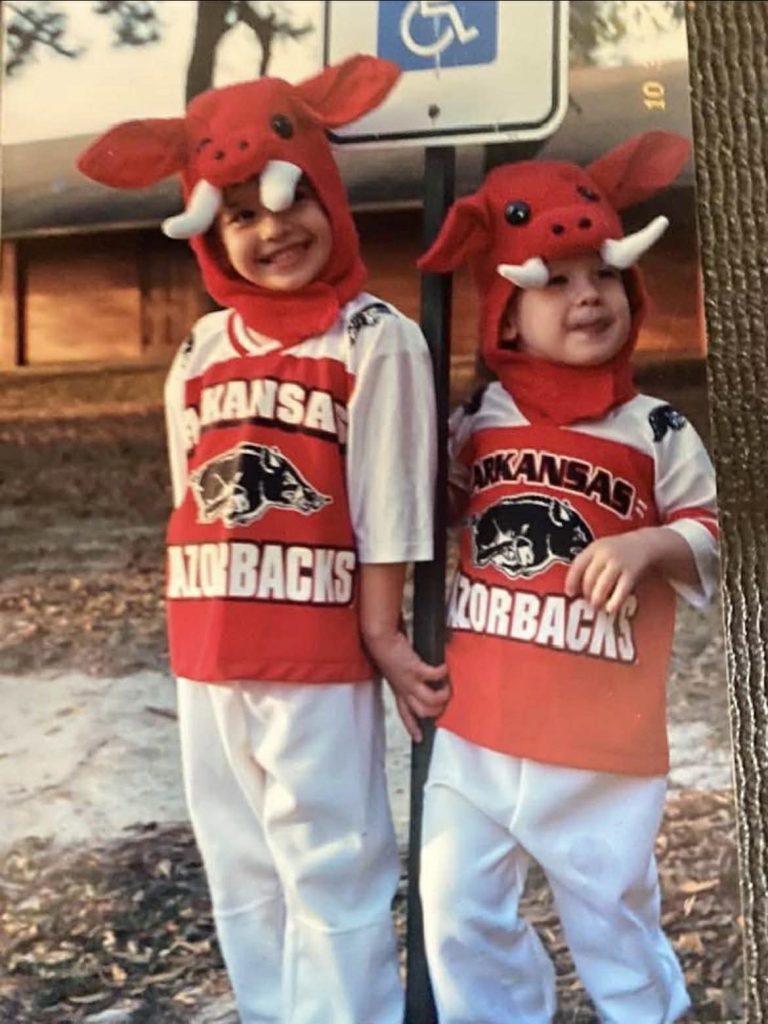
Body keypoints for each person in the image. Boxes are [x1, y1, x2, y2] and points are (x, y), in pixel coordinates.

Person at [77, 55, 448, 1024]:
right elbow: (188, 492)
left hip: (314, 646)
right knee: (239, 862)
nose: (271, 228)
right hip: (209, 647)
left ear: (328, 193)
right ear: (211, 232)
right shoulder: (200, 347)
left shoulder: (373, 337)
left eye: (290, 197)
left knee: (333, 863)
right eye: (239, 215)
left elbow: (390, 497)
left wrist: (381, 632)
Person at [415, 132, 718, 1023]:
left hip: (599, 738)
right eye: (555, 279)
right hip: (478, 724)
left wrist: (648, 546)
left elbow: (712, 531)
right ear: (506, 316)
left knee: (613, 923)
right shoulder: (478, 419)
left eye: (602, 274)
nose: (588, 294)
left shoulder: (655, 428)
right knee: (455, 911)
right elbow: (428, 510)